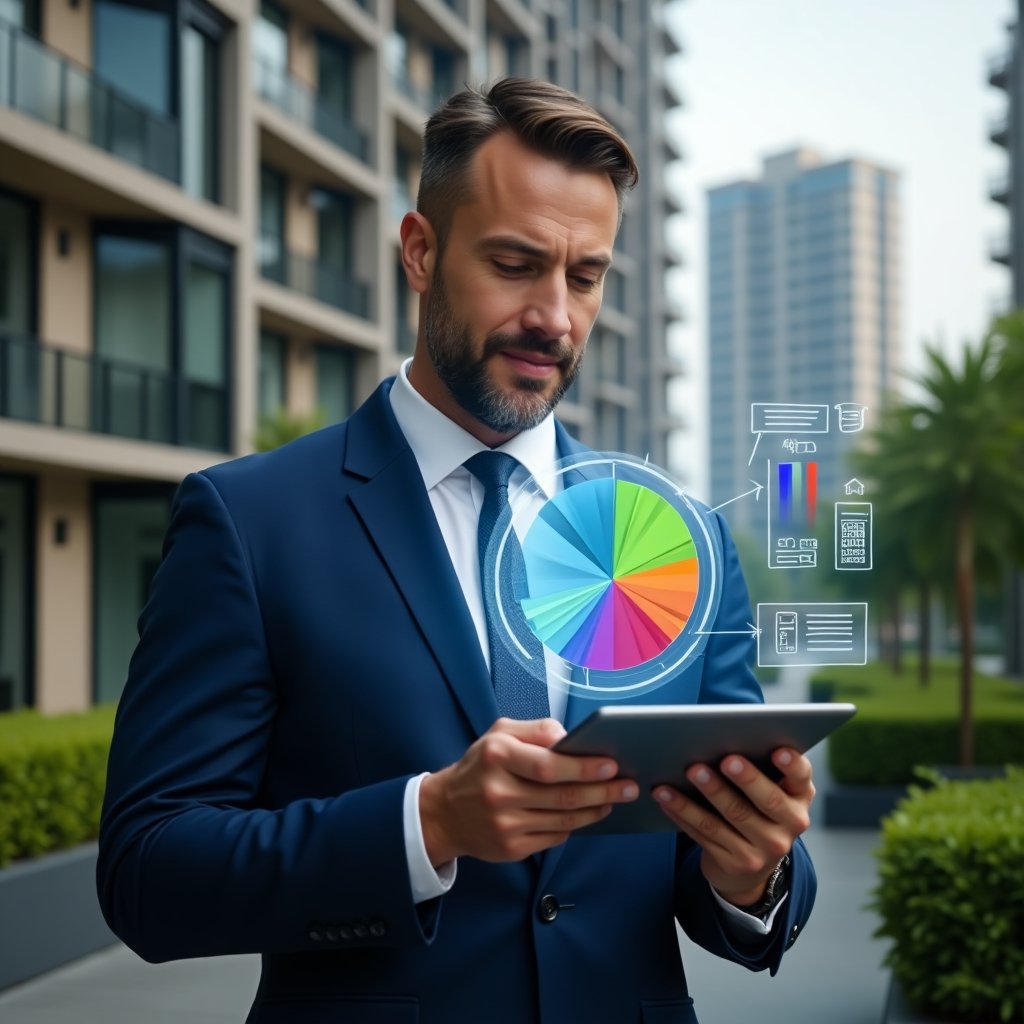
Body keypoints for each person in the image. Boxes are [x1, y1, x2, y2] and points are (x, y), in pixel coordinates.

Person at [97, 78, 817, 1024]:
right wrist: (428, 822)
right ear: (420, 252)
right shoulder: (248, 521)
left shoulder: (681, 537)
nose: (555, 316)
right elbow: (147, 872)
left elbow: (723, 862)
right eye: (515, 264)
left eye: (585, 277)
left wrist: (752, 870)